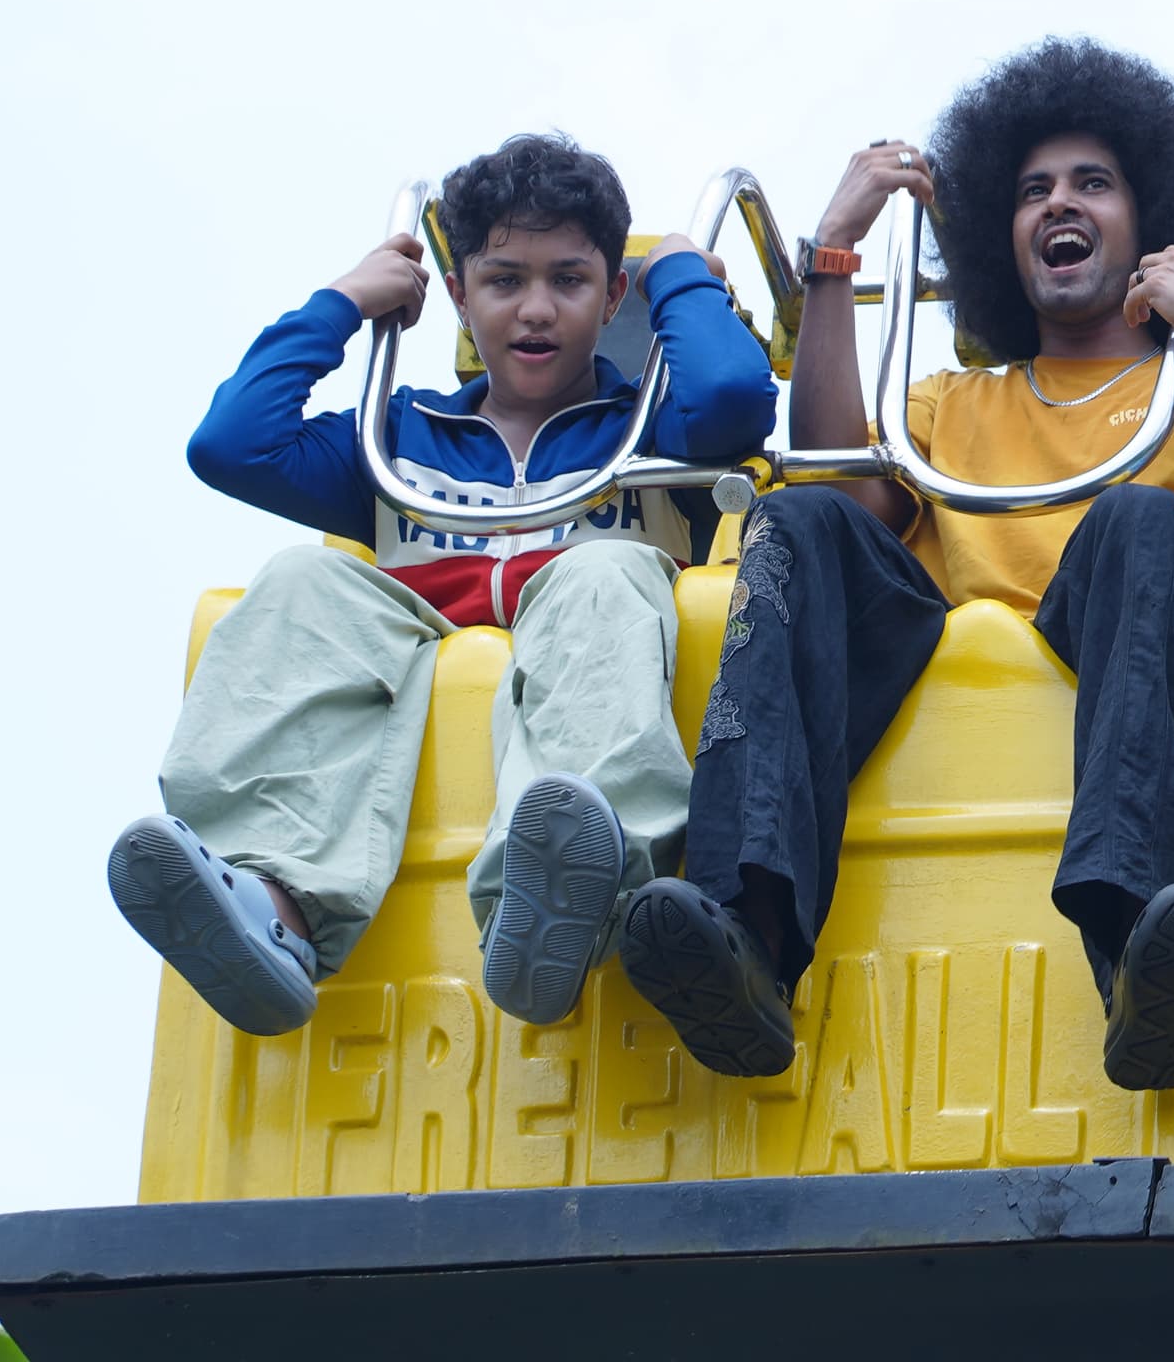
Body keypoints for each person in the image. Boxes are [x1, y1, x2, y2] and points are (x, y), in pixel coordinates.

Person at [617, 38, 1174, 1092]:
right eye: (1034, 189)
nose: (1061, 204)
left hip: (1124, 633)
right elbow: (834, 491)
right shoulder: (950, 406)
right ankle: (744, 934)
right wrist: (830, 255)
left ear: (1149, 225)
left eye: (1094, 183)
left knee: (1141, 520)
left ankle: (1142, 952)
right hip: (937, 654)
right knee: (792, 525)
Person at [119, 134, 776, 1035]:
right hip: (420, 632)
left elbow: (737, 396)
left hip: (583, 635)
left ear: (612, 294)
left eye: (570, 281)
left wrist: (674, 271)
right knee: (306, 577)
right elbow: (231, 444)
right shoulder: (400, 441)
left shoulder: (650, 433)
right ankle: (271, 899)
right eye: (505, 281)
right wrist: (344, 303)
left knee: (606, 569)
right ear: (459, 297)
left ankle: (570, 889)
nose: (535, 310)